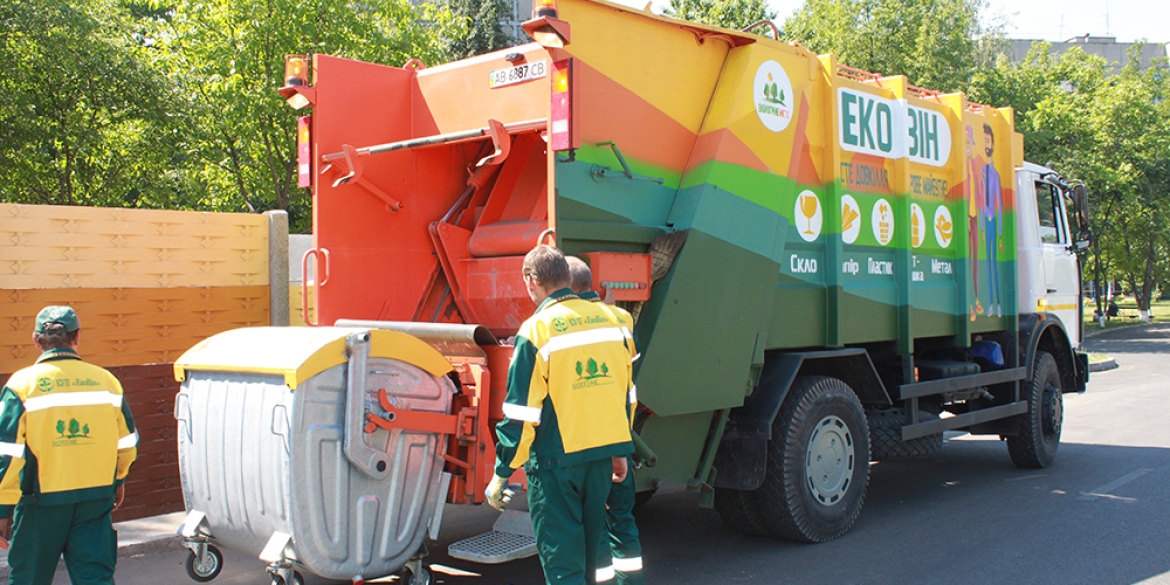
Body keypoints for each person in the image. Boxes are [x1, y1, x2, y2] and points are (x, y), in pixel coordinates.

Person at [487, 246, 635, 585]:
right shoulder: (613, 321)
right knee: (596, 559)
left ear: (530, 281)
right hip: (601, 459)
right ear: (567, 278)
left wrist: (502, 472)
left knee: (563, 565)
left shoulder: (537, 330)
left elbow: (522, 413)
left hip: (556, 465)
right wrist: (619, 447)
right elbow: (624, 393)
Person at [0, 306, 138, 585]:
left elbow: (8, 453)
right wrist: (119, 480)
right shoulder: (107, 381)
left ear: (36, 341)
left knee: (28, 578)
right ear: (77, 337)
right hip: (95, 499)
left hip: (41, 503)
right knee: (95, 578)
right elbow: (127, 443)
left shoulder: (22, 384)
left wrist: (3, 507)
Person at [566, 256, 643, 585]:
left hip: (586, 445)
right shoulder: (621, 318)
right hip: (619, 436)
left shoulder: (561, 322)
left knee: (593, 528)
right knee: (622, 520)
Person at [981, 123, 1004, 318]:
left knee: (994, 265)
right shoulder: (981, 172)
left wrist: (1001, 234)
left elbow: (1000, 204)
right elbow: (980, 201)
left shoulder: (995, 175)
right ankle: (990, 303)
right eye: (984, 140)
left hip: (994, 222)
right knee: (987, 265)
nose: (986, 144)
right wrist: (980, 227)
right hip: (985, 223)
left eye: (988, 140)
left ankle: (996, 302)